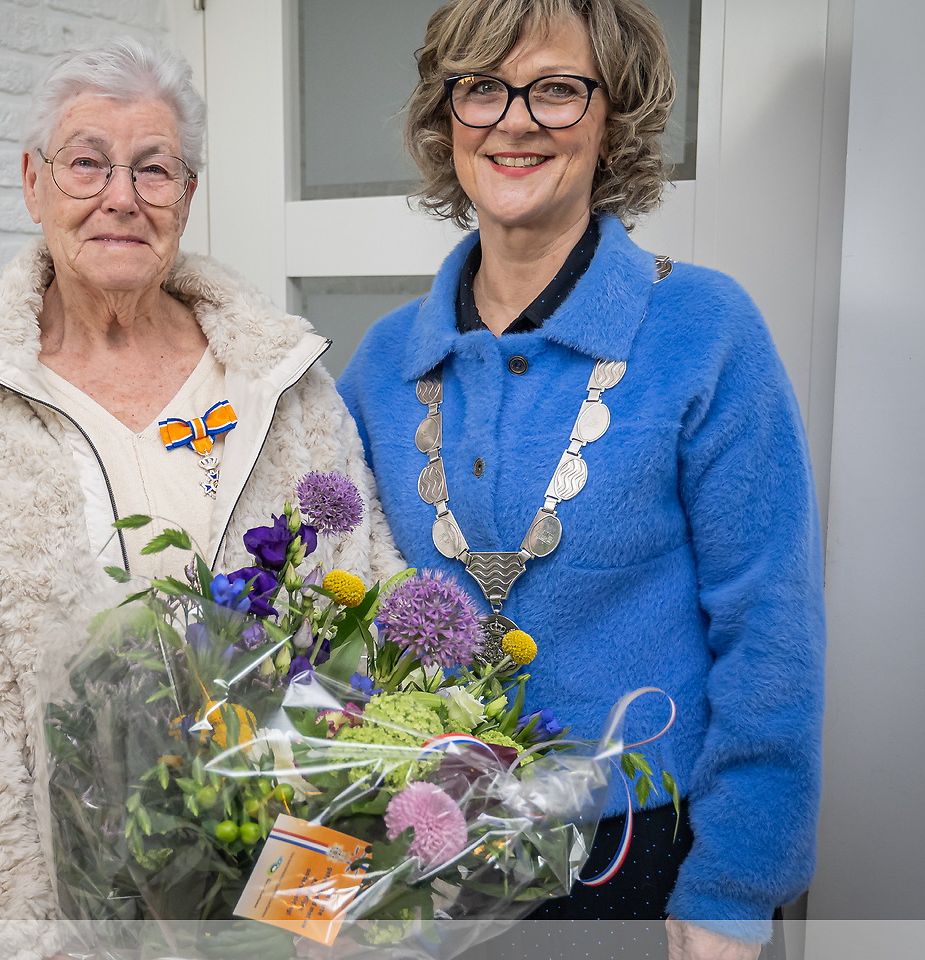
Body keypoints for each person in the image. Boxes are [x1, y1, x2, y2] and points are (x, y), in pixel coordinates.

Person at [0, 38, 402, 960]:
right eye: (87, 162)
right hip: (63, 919)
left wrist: (318, 910)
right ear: (33, 182)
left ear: (187, 192)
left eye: (154, 169)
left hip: (277, 910)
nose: (121, 197)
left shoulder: (280, 380)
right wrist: (24, 940)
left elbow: (358, 627)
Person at [336, 1, 825, 958]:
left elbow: (772, 628)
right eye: (481, 88)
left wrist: (732, 890)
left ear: (616, 119)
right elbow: (340, 610)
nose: (514, 121)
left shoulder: (708, 330)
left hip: (642, 861)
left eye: (557, 90)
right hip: (426, 855)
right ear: (448, 119)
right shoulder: (386, 360)